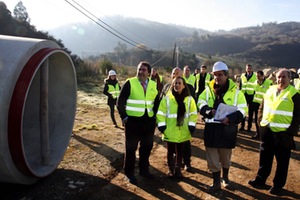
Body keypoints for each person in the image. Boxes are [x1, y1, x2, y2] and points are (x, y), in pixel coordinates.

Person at [248, 69, 300, 195]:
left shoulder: (294, 93)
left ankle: (278, 185)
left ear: (289, 78)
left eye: (283, 77)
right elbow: (262, 107)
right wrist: (261, 123)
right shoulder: (270, 90)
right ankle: (260, 180)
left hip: (283, 134)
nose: (280, 79)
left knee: (282, 162)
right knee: (264, 158)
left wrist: (290, 132)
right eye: (278, 77)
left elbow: (298, 115)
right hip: (268, 131)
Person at [197, 61, 247, 192]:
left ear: (226, 75)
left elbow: (242, 110)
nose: (217, 78)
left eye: (220, 75)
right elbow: (200, 102)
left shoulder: (236, 92)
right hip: (212, 128)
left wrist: (230, 118)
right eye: (214, 75)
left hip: (227, 129)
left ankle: (225, 177)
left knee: (225, 157)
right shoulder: (208, 90)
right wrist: (208, 111)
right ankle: (216, 182)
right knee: (212, 158)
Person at [117, 61, 159, 184]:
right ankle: (129, 173)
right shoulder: (130, 82)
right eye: (139, 69)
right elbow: (120, 101)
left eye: (143, 70)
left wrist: (155, 117)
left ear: (149, 73)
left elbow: (156, 102)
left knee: (146, 148)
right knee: (131, 148)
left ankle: (144, 170)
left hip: (148, 122)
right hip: (133, 122)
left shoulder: (153, 84)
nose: (141, 72)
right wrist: (124, 117)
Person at [156, 76, 198, 179]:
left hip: (183, 131)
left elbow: (193, 114)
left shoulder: (189, 100)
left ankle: (178, 170)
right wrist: (162, 126)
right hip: (170, 130)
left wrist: (192, 126)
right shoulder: (167, 99)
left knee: (180, 152)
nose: (177, 85)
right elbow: (160, 113)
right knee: (170, 151)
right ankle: (171, 170)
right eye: (175, 83)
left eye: (179, 83)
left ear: (184, 85)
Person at [251, 70, 273, 139]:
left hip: (265, 105)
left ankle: (264, 134)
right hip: (256, 103)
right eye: (257, 76)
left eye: (259, 76)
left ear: (263, 76)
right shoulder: (255, 83)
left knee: (265, 119)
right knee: (257, 119)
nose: (257, 78)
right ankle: (258, 133)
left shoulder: (269, 83)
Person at [239, 64, 257, 132]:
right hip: (244, 96)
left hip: (251, 96)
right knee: (243, 111)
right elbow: (240, 86)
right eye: (247, 68)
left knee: (250, 113)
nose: (248, 69)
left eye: (249, 68)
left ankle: (249, 127)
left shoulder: (255, 76)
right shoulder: (242, 76)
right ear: (246, 69)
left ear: (251, 69)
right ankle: (242, 126)